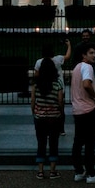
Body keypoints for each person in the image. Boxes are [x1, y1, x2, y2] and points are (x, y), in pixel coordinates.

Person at [70, 42, 95, 184]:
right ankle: (91, 173)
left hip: (77, 109)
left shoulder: (77, 68)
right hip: (88, 109)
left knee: (78, 141)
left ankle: (79, 171)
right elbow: (86, 84)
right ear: (83, 55)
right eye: (91, 53)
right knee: (90, 143)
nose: (94, 56)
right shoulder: (87, 67)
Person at [30, 51, 64, 179]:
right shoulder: (57, 83)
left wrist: (34, 111)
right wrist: (60, 111)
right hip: (54, 116)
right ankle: (52, 170)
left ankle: (40, 170)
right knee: (54, 142)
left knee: (41, 142)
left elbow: (33, 100)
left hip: (40, 116)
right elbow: (60, 100)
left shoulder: (36, 84)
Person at [34, 40, 71, 136]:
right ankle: (61, 129)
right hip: (58, 87)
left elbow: (36, 75)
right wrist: (69, 46)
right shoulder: (58, 59)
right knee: (60, 107)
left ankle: (46, 129)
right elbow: (67, 56)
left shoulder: (39, 62)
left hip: (43, 87)